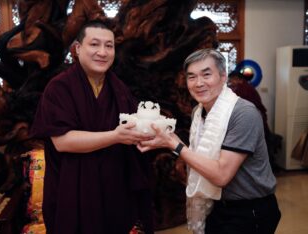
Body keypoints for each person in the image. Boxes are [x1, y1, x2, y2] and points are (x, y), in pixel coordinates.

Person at [138, 48, 281, 234]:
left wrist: (175, 145)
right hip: (217, 204)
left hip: (249, 210)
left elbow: (222, 175)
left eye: (206, 75)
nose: (198, 83)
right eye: (191, 77)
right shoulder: (199, 111)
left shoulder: (243, 113)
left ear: (223, 77)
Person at [30, 20, 154, 234]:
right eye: (94, 44)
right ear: (78, 49)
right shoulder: (59, 88)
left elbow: (137, 126)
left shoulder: (119, 88)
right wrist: (115, 136)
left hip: (114, 192)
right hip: (71, 192)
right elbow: (63, 141)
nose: (103, 52)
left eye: (109, 46)